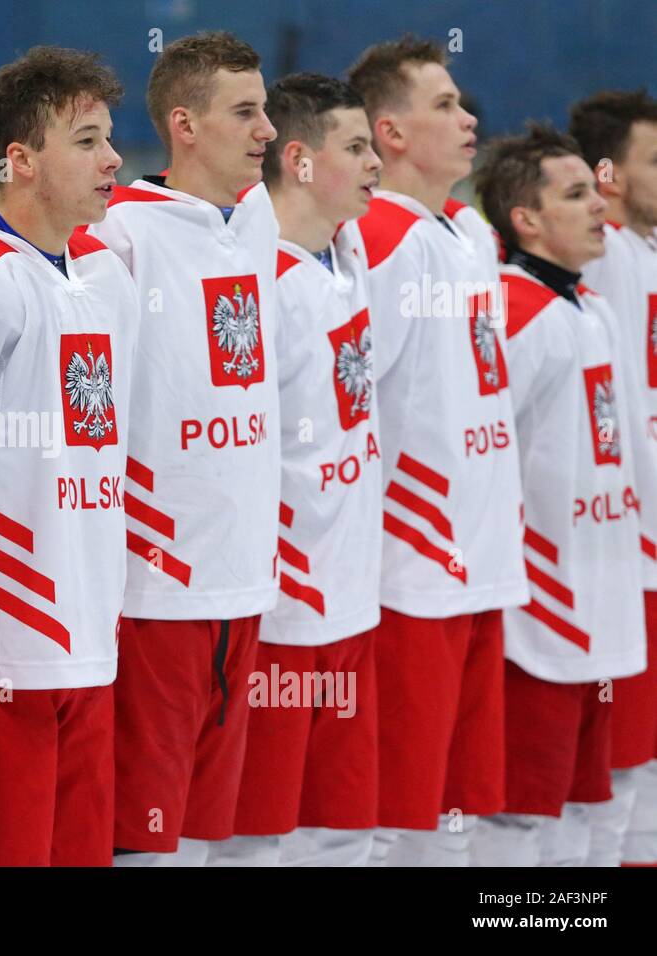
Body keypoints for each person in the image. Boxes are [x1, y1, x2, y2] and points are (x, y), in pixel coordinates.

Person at [85, 29, 280, 867]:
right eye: (246, 112)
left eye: (266, 109)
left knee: (203, 837)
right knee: (145, 843)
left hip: (246, 582)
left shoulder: (261, 213)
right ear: (184, 125)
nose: (269, 130)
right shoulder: (122, 233)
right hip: (157, 589)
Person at [341, 35, 528, 866]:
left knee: (459, 816)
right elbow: (346, 406)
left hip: (482, 562)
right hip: (410, 576)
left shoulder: (472, 235)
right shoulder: (373, 239)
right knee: (399, 821)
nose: (469, 117)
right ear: (391, 133)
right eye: (445, 104)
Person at [0, 46, 136, 865]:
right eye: (88, 140)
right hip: (7, 644)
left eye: (109, 137)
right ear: (20, 161)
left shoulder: (107, 277)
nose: (114, 159)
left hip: (94, 631)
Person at [212, 73, 384, 867]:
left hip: (353, 602)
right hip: (282, 617)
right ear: (300, 161)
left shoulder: (348, 259)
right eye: (356, 147)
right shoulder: (257, 286)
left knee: (343, 830)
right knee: (260, 836)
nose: (376, 162)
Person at [469, 124, 645, 865]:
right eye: (576, 195)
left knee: (590, 798)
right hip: (538, 612)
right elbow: (481, 460)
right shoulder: (518, 315)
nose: (600, 206)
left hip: (600, 595)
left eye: (596, 189)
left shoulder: (590, 310)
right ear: (527, 220)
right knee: (519, 814)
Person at [573, 89, 657, 866]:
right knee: (621, 762)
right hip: (627, 555)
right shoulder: (610, 265)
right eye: (654, 160)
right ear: (612, 178)